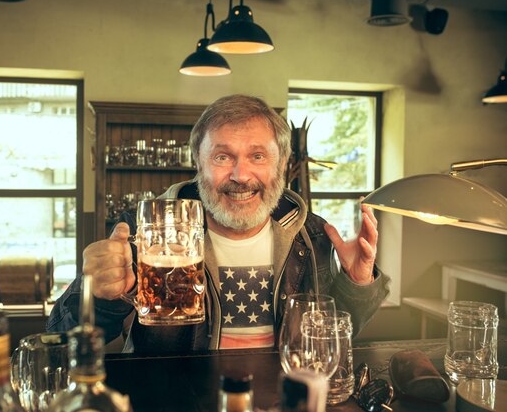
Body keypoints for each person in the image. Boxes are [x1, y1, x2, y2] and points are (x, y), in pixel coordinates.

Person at [47, 94, 390, 353]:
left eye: (258, 156)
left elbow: (336, 334)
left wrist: (358, 285)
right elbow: (61, 341)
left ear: (282, 163)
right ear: (198, 163)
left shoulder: (312, 233)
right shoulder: (145, 233)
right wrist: (98, 296)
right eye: (223, 157)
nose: (241, 176)